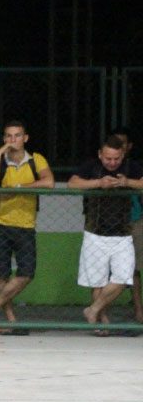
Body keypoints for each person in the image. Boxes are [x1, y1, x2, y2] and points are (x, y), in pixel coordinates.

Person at [0, 121, 54, 327]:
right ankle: (9, 319)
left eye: (17, 135)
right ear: (4, 139)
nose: (13, 140)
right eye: (8, 136)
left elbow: (49, 182)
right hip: (1, 223)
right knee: (2, 273)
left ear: (25, 138)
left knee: (26, 272)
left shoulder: (36, 160)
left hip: (26, 224)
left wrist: (21, 187)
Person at [68, 135, 143, 329]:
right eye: (108, 158)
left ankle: (93, 309)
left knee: (124, 276)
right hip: (95, 232)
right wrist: (98, 183)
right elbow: (73, 183)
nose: (112, 162)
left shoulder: (131, 167)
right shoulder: (91, 167)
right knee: (98, 280)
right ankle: (101, 322)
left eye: (116, 159)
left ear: (123, 155)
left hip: (123, 234)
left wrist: (127, 182)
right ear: (100, 154)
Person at [110, 127, 143, 322]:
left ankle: (139, 311)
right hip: (109, 225)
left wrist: (126, 182)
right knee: (116, 271)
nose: (118, 147)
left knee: (136, 268)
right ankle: (101, 315)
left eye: (121, 143)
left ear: (128, 147)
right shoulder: (100, 166)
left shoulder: (134, 167)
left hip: (134, 220)